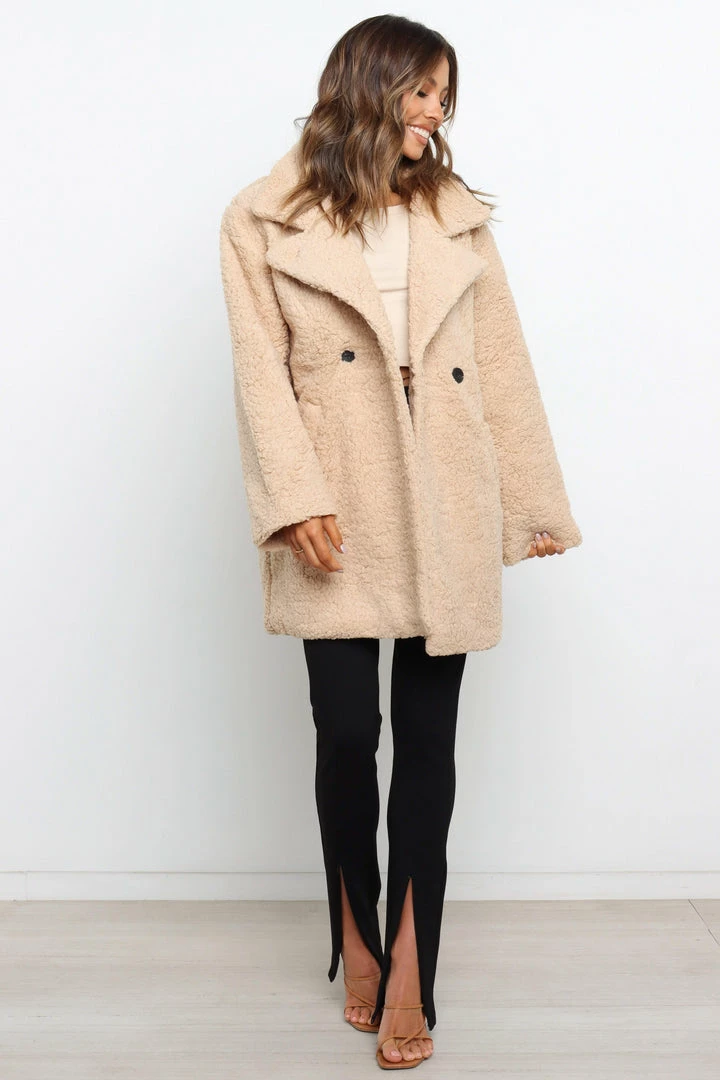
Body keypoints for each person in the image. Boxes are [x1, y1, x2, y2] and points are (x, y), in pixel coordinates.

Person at [219, 14, 583, 1070]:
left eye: (443, 95)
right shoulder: (262, 217)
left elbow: (500, 360)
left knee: (429, 743)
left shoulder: (455, 218)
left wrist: (530, 503)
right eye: (421, 90)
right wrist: (293, 497)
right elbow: (258, 369)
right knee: (346, 734)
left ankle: (413, 970)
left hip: (447, 492)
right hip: (339, 497)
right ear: (368, 85)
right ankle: (354, 935)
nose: (436, 111)